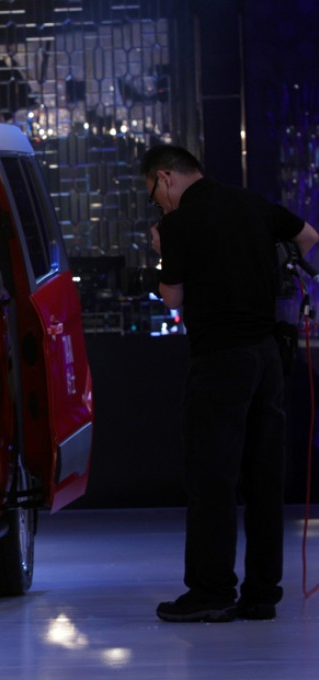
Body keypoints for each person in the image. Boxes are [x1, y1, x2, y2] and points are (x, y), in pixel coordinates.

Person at [143, 144, 319, 623]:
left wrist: (164, 253)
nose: (159, 204)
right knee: (264, 479)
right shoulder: (250, 202)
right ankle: (263, 594)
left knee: (212, 477)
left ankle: (212, 590)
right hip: (267, 354)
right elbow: (308, 235)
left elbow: (172, 297)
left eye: (155, 195)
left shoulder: (179, 224)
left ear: (165, 178)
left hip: (219, 357)